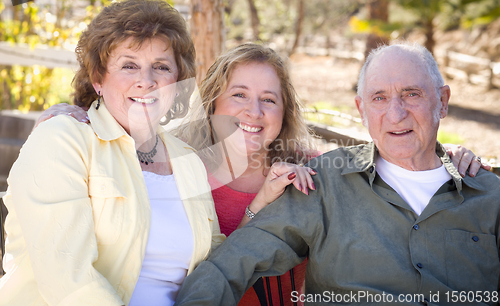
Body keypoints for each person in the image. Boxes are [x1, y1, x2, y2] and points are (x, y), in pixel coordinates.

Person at [32, 43, 486, 306]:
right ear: (212, 102)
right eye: (239, 96)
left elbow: (399, 150)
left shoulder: (307, 171)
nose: (254, 112)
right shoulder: (168, 166)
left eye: (268, 99)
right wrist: (75, 117)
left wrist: (456, 161)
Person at [173, 41, 500, 306]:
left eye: (411, 94)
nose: (396, 114)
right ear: (361, 110)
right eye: (379, 98)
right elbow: (229, 266)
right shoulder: (320, 183)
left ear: (442, 102)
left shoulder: (488, 195)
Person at [0, 0, 224, 306]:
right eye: (129, 65)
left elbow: (210, 269)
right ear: (98, 79)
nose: (146, 81)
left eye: (161, 67)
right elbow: (68, 281)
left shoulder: (188, 161)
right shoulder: (63, 139)